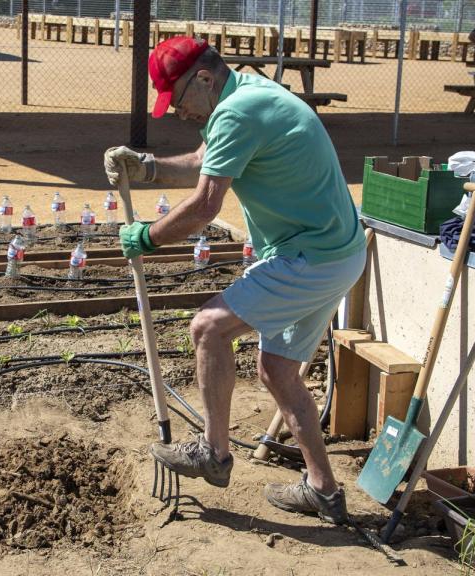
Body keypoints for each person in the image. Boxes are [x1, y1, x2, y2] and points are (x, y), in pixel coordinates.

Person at [103, 36, 365, 525]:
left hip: (310, 256)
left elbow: (205, 206)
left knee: (209, 327)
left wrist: (148, 237)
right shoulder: (246, 96)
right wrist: (147, 168)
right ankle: (324, 491)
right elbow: (203, 162)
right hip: (336, 253)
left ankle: (214, 453)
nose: (177, 112)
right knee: (278, 370)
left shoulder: (237, 112)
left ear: (204, 78)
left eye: (178, 100)